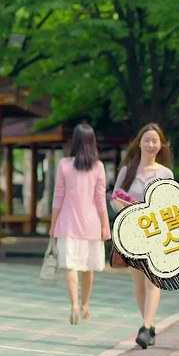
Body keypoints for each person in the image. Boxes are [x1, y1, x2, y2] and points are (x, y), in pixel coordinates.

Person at [110, 123, 174, 349]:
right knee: (138, 283)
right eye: (147, 140)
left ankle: (146, 328)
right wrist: (127, 208)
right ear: (139, 143)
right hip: (132, 234)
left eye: (155, 141)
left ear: (161, 145)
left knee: (153, 281)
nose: (150, 144)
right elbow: (115, 199)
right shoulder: (127, 171)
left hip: (156, 234)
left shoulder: (165, 174)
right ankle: (150, 325)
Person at [49, 123, 111, 325]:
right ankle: (85, 305)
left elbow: (58, 196)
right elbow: (100, 199)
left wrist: (53, 224)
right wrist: (105, 226)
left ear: (74, 141)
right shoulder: (98, 167)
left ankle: (74, 305)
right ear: (92, 142)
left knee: (70, 266)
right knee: (88, 268)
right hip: (91, 224)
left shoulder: (64, 165)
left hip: (68, 223)